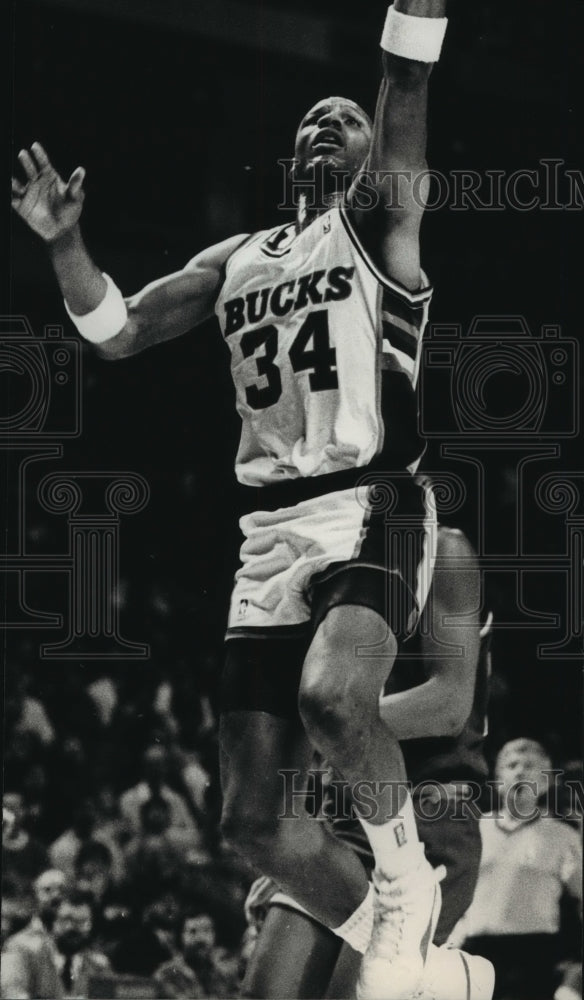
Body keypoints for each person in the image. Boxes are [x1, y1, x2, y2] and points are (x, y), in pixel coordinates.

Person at [12, 3, 465, 995]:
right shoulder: (234, 261)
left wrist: (410, 24)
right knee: (250, 819)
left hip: (370, 499)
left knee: (332, 698)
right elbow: (115, 331)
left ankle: (405, 887)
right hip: (269, 527)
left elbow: (406, 84)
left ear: (365, 150)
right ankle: (427, 969)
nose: (320, 126)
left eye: (338, 118)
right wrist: (64, 242)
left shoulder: (381, 224)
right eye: (306, 121)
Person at [242, 528, 495, 1000]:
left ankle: (442, 977)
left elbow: (449, 704)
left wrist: (328, 728)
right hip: (342, 817)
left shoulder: (444, 550)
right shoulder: (321, 554)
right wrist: (291, 853)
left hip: (428, 815)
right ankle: (442, 979)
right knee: (265, 992)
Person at [451, 738, 583, 1000]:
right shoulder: (474, 829)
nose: (520, 771)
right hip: (475, 950)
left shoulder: (563, 836)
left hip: (535, 955)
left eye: (530, 766)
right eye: (511, 765)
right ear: (498, 780)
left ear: (545, 781)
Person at [1, 888, 110, 999]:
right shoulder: (23, 952)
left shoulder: (99, 966)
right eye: (66, 919)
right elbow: (11, 994)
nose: (72, 928)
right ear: (52, 922)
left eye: (82, 922)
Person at [153, 910, 238, 999]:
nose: (200, 938)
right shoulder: (168, 975)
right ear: (181, 936)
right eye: (192, 932)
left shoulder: (225, 975)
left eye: (206, 931)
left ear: (214, 935)